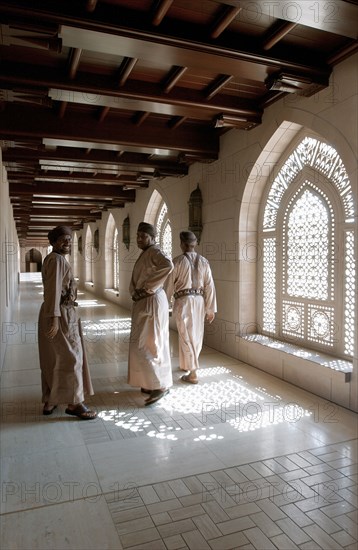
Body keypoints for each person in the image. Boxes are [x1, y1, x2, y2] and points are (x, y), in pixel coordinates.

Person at [38, 225, 97, 420]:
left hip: (54, 312)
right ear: (53, 242)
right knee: (73, 357)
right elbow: (54, 290)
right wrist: (55, 317)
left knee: (53, 358)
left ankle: (50, 400)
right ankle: (74, 403)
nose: (67, 242)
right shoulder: (57, 260)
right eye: (63, 239)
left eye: (70, 239)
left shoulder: (52, 258)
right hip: (60, 314)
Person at [128, 222, 173, 405]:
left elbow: (168, 265)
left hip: (152, 301)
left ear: (152, 238)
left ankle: (160, 386)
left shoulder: (155, 251)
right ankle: (149, 382)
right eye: (138, 235)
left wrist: (148, 288)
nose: (139, 239)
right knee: (143, 342)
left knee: (151, 344)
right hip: (146, 302)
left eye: (143, 236)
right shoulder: (146, 253)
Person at [165, 231, 217, 384]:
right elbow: (210, 286)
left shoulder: (177, 261)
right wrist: (210, 309)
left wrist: (165, 304)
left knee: (185, 334)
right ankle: (185, 364)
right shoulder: (204, 261)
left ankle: (193, 372)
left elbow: (168, 287)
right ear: (194, 244)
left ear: (182, 244)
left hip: (183, 301)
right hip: (200, 301)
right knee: (196, 334)